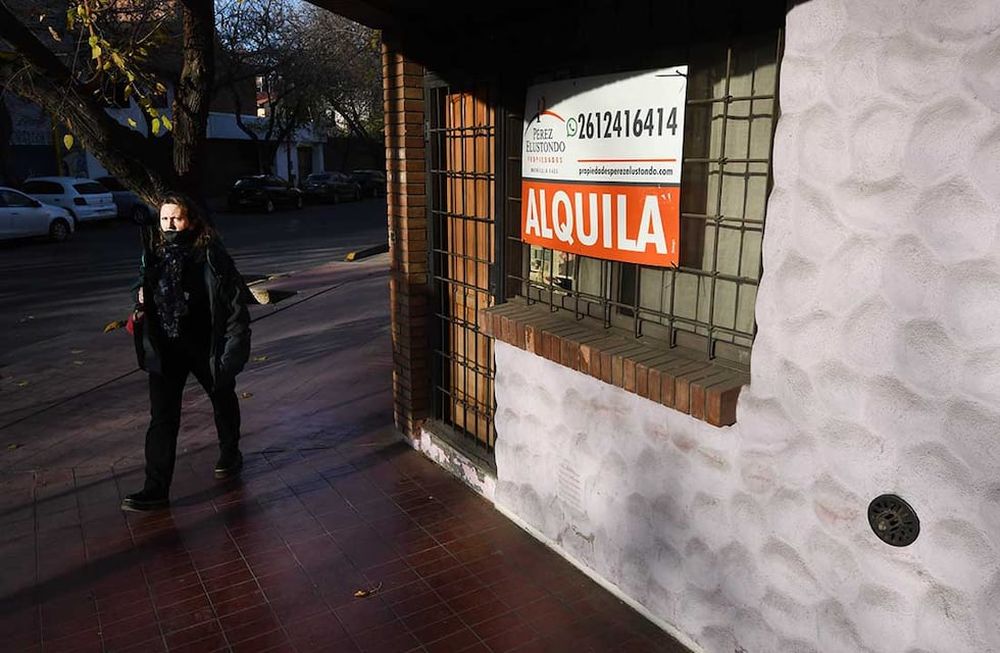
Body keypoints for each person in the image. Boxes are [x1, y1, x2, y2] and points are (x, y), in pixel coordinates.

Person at [121, 193, 251, 512]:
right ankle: (156, 488)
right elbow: (143, 288)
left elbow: (234, 303)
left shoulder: (210, 254)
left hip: (205, 345)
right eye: (164, 220)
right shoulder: (154, 253)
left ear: (190, 220)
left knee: (221, 399)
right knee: (162, 418)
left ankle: (230, 453)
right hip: (165, 349)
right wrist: (140, 303)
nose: (169, 226)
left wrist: (233, 347)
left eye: (176, 219)